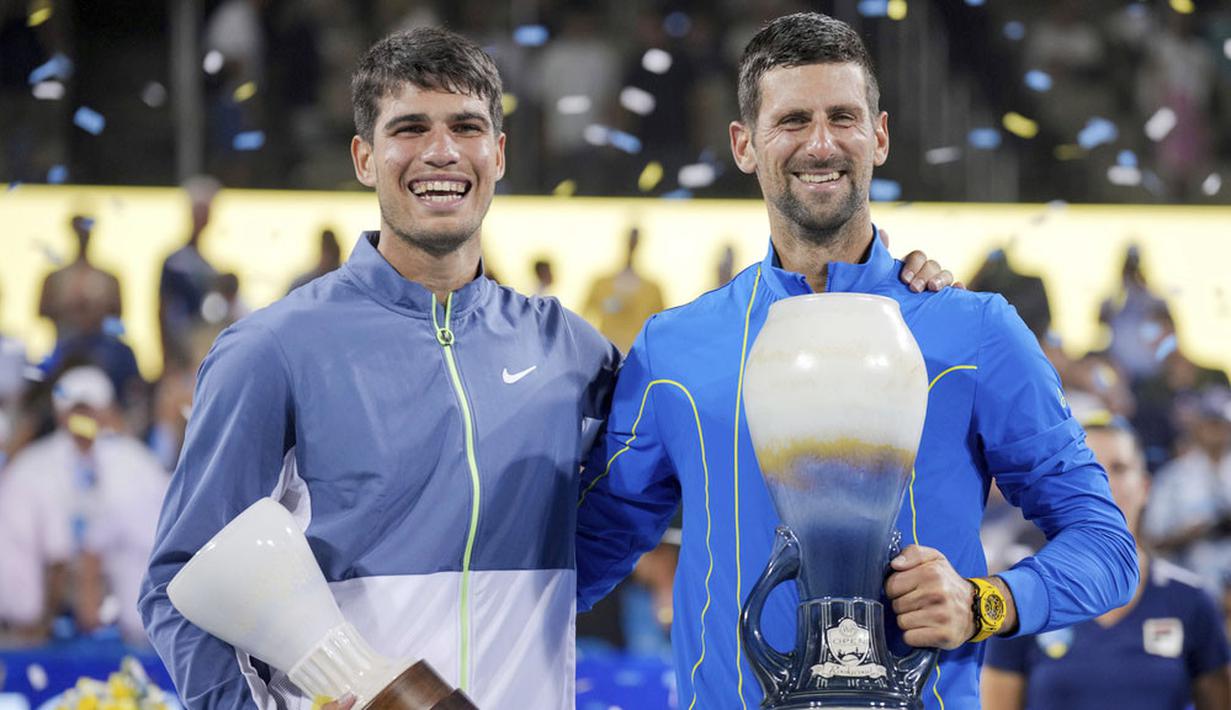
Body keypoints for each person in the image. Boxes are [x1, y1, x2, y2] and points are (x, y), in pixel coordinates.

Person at [140, 26, 955, 710]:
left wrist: (885, 285)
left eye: (464, 128)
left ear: (499, 152)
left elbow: (707, 423)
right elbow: (180, 586)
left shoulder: (573, 352)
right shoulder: (270, 350)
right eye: (408, 129)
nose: (439, 154)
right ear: (363, 157)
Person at [574, 13, 1137, 710]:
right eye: (792, 120)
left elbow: (1107, 547)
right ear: (743, 144)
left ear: (879, 135)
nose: (820, 143)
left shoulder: (973, 331)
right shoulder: (673, 350)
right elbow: (578, 559)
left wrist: (984, 602)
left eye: (843, 117)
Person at [982, 412, 1231, 710]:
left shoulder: (1190, 600)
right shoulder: (1019, 594)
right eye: (1091, 468)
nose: (1105, 483)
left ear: (1145, 487)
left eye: (1120, 468)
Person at [0, 366, 167, 646]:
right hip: (44, 609)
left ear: (106, 411)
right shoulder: (30, 467)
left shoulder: (138, 465)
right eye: (75, 411)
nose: (82, 420)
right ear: (60, 414)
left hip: (127, 613)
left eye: (90, 410)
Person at [581, 227, 665, 353]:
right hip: (607, 351)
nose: (632, 245)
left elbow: (661, 326)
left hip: (636, 353)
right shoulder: (601, 284)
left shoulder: (652, 289)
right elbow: (585, 316)